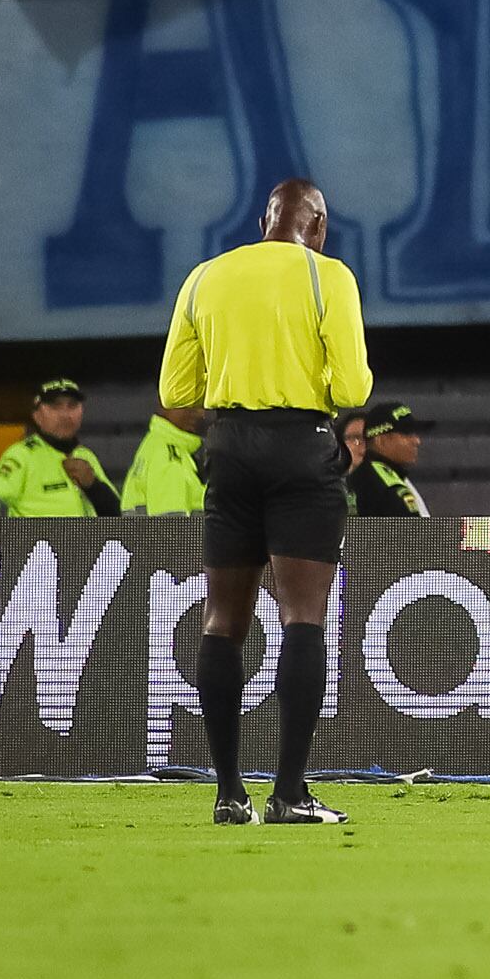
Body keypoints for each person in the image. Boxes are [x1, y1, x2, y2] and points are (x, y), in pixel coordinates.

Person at [160, 180, 373, 821]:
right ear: (318, 225)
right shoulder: (327, 275)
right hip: (301, 446)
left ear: (263, 222)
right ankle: (289, 794)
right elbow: (355, 384)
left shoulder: (204, 277)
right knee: (302, 619)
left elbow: (175, 389)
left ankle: (228, 793)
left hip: (227, 445)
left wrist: (229, 422)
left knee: (223, 621)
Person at [0, 379, 122, 516]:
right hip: (39, 549)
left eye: (72, 406)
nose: (66, 415)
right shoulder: (23, 455)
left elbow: (117, 513)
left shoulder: (86, 455)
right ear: (37, 415)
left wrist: (93, 485)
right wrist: (0, 542)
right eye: (55, 406)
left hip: (84, 548)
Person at [120, 403, 208, 517]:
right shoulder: (168, 455)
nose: (199, 413)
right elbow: (169, 529)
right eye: (185, 405)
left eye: (200, 405)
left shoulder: (156, 444)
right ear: (163, 405)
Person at [348, 403, 431, 517]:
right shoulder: (386, 483)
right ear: (380, 440)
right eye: (406, 434)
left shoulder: (365, 477)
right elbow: (415, 534)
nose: (416, 441)